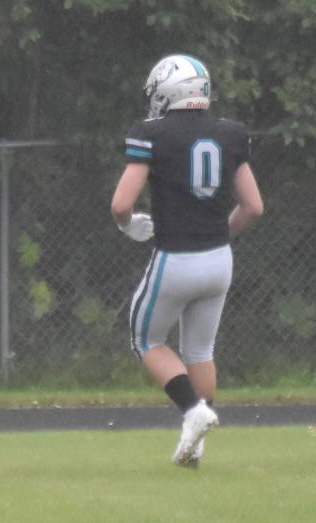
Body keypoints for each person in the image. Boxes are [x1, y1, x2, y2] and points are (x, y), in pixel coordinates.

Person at [111, 54, 263, 468]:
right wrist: (219, 235)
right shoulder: (230, 133)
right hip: (219, 260)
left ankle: (193, 411)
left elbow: (121, 204)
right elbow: (253, 207)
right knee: (200, 349)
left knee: (145, 340)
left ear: (167, 90)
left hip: (175, 258)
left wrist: (128, 225)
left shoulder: (151, 133)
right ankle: (196, 445)